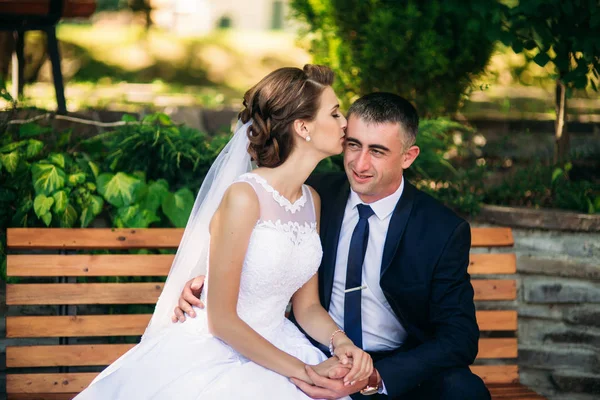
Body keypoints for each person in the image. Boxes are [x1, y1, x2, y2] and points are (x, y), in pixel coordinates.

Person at [74, 64, 375, 400]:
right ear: (303, 126)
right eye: (334, 113)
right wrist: (305, 372)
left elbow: (306, 307)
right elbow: (221, 320)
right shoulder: (245, 197)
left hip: (280, 339)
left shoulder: (311, 201)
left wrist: (342, 342)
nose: (345, 123)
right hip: (219, 350)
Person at [175, 92, 492, 399]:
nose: (360, 163)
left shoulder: (441, 229)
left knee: (465, 391)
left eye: (377, 151)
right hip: (317, 352)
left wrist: (378, 377)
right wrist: (204, 280)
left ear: (408, 157)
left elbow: (459, 337)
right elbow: (257, 246)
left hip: (396, 367)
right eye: (354, 145)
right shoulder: (311, 196)